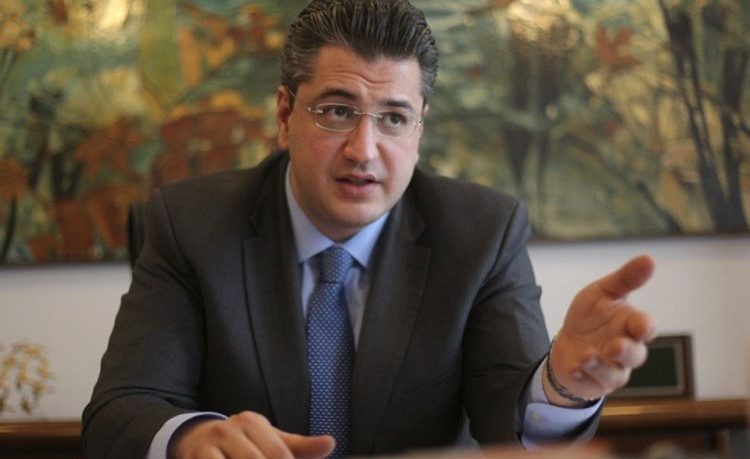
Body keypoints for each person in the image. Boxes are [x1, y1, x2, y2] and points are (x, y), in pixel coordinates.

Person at [82, 1, 657, 458]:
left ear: (419, 128)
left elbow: (507, 422)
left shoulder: (481, 233)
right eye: (336, 111)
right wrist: (191, 438)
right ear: (284, 115)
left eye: (393, 118)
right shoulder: (192, 225)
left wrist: (563, 384)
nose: (364, 150)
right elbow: (120, 411)